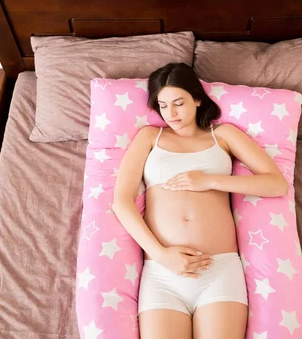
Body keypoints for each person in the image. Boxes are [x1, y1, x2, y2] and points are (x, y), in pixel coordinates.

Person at [111, 62, 289, 339]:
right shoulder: (149, 137)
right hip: (163, 273)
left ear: (197, 99)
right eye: (163, 105)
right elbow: (121, 202)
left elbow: (276, 184)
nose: (171, 114)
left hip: (219, 271)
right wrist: (161, 255)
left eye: (179, 103)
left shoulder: (224, 135)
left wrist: (210, 181)